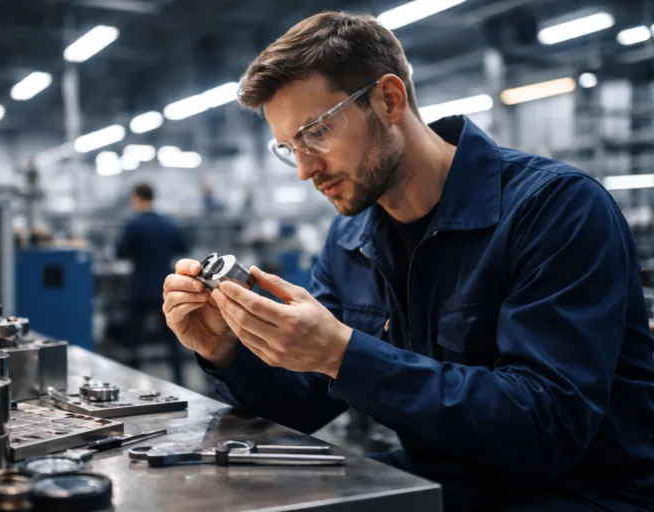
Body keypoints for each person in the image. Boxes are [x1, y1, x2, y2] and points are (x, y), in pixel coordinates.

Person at [162, 12, 654, 512]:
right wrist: (226, 352)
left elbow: (547, 427)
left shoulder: (555, 208)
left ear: (389, 100)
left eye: (317, 131)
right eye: (290, 148)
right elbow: (304, 404)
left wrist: (343, 354)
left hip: (581, 491)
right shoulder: (352, 236)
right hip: (448, 477)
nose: (306, 169)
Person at [117, 183, 189, 384]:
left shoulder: (134, 224)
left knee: (134, 339)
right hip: (165, 287)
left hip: (139, 288)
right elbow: (183, 247)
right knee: (173, 338)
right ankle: (180, 380)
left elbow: (120, 252)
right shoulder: (169, 223)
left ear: (137, 198)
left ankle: (130, 381)